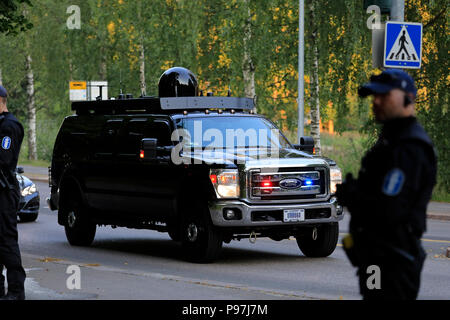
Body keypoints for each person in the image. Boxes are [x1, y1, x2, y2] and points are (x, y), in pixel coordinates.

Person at [336, 69, 437, 300]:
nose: (376, 102)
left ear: (406, 98)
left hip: (394, 260)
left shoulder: (410, 146)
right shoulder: (391, 140)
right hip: (375, 257)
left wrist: (355, 197)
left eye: (384, 95)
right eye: (374, 97)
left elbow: (391, 207)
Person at [0, 85, 26, 300]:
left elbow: (4, 160)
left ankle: (16, 290)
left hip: (4, 192)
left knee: (7, 241)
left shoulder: (9, 126)